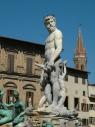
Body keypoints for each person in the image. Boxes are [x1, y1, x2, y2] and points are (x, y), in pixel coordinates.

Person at [40, 15, 63, 108]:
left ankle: (55, 103)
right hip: (47, 63)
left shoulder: (58, 33)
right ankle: (50, 104)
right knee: (46, 83)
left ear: (55, 22)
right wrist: (44, 66)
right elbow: (46, 53)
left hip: (55, 60)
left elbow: (59, 48)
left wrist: (52, 59)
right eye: (47, 23)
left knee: (54, 80)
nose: (49, 25)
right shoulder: (47, 38)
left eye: (51, 22)